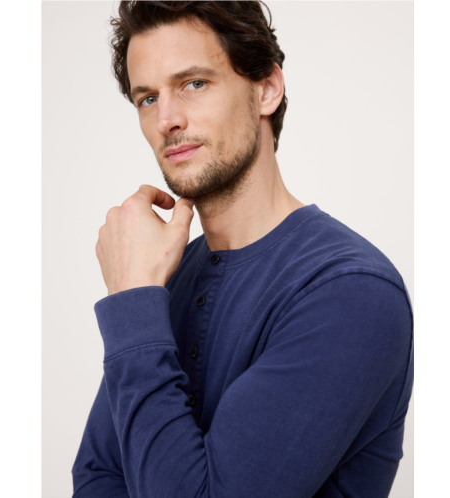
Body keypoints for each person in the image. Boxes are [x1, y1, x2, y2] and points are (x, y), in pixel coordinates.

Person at [72, 1, 414, 497]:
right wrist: (139, 296)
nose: (166, 119)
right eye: (147, 98)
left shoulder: (351, 293)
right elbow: (96, 477)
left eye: (194, 83)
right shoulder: (163, 274)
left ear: (266, 89)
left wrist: (131, 302)